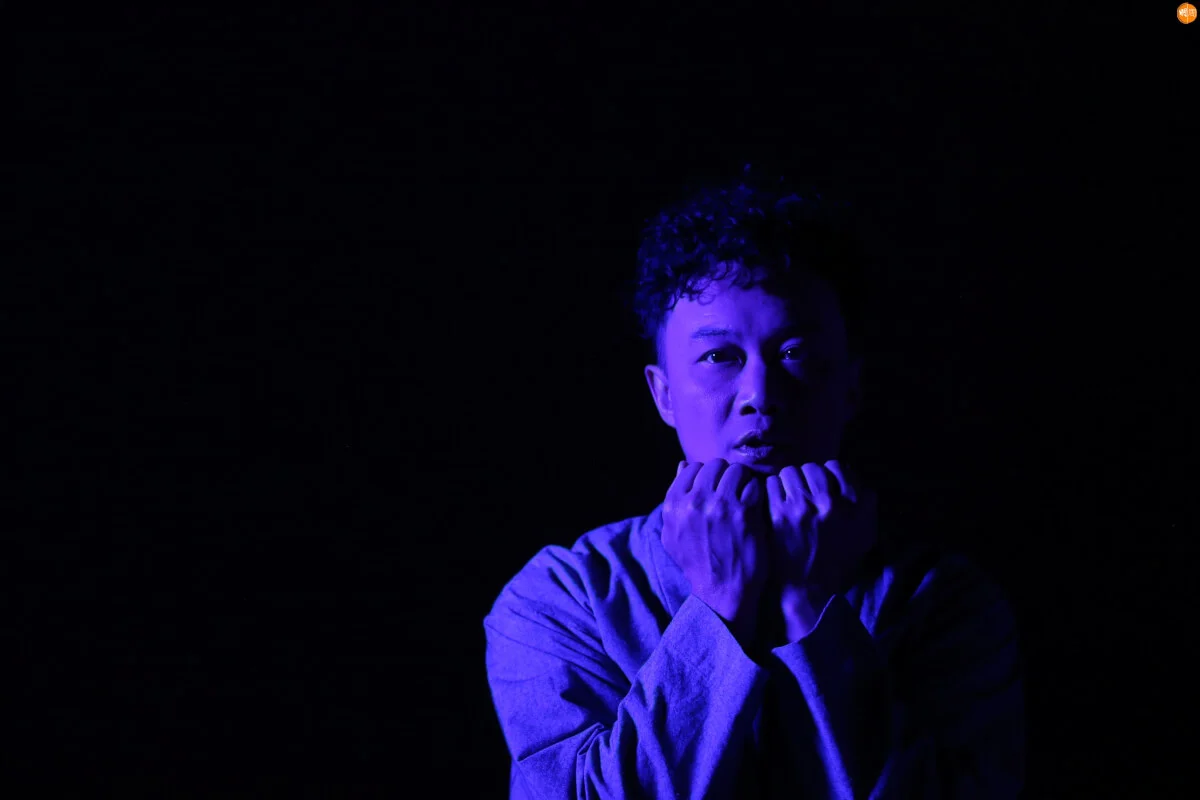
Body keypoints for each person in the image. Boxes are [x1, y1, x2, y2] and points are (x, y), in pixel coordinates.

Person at [482, 167, 1025, 798]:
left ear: (851, 387)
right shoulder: (563, 598)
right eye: (720, 357)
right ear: (663, 394)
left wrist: (812, 608)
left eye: (796, 354)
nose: (760, 396)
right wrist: (717, 604)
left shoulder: (943, 602)